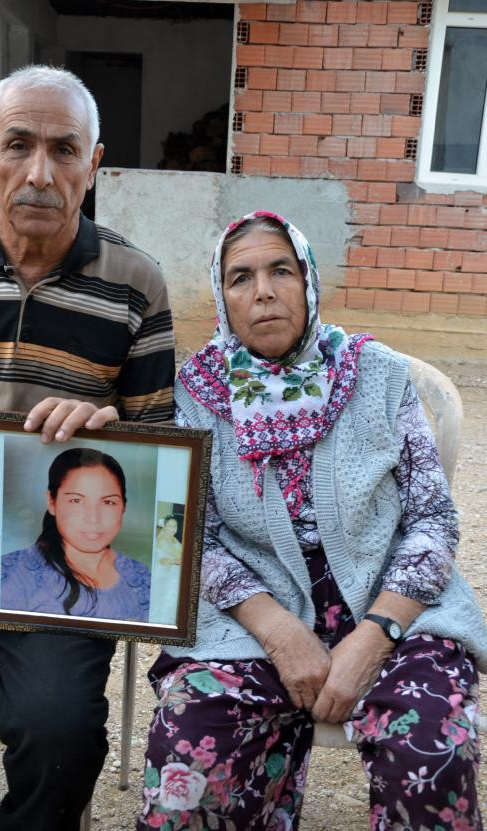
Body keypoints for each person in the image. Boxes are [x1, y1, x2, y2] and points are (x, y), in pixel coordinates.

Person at [0, 64, 174, 831]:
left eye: (64, 150)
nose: (40, 173)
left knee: (59, 735)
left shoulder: (136, 286)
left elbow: (161, 449)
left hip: (56, 557)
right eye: (18, 145)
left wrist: (114, 424)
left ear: (95, 163)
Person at [137, 211, 487, 830]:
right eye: (241, 277)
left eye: (282, 270)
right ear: (222, 297)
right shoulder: (193, 394)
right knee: (191, 765)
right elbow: (186, 531)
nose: (264, 290)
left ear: (310, 281)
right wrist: (276, 628)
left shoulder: (378, 376)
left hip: (395, 609)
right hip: (249, 615)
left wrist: (374, 636)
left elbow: (434, 521)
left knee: (431, 754)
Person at [1, 448, 150, 621]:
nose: (93, 518)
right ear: (52, 501)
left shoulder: (143, 579)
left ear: (123, 506)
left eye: (108, 502)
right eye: (76, 501)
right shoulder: (9, 574)